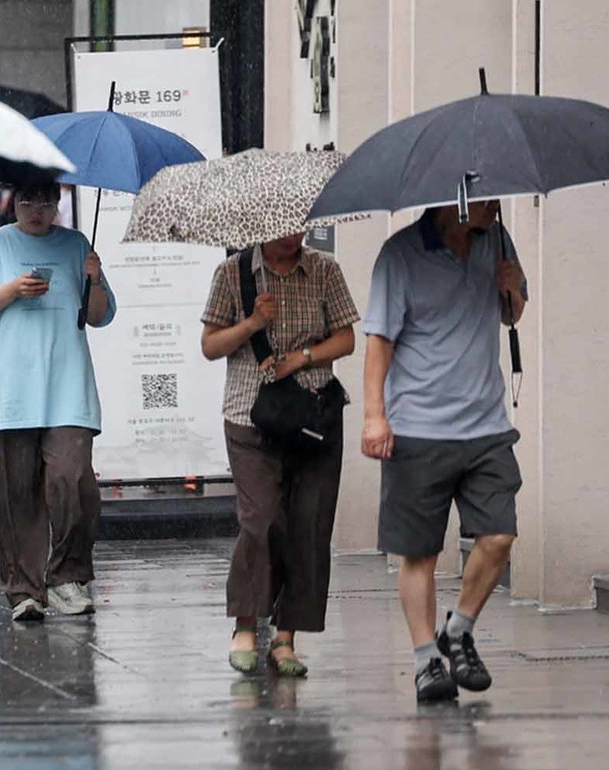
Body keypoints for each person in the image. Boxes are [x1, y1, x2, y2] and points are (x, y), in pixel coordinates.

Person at [363, 201, 527, 704]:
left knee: (498, 536)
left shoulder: (497, 241)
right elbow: (379, 342)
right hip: (418, 428)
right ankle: (425, 661)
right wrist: (375, 415)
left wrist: (513, 288)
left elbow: (512, 312)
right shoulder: (400, 256)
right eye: (488, 196)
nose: (497, 206)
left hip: (486, 425)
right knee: (420, 553)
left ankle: (458, 631)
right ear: (454, 195)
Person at [200, 233, 359, 677]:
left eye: (300, 226)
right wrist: (251, 324)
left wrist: (303, 358)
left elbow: (346, 339)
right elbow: (210, 346)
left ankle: (286, 635)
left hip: (313, 416)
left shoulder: (325, 269)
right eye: (284, 228)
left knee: (309, 525)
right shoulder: (231, 274)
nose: (294, 236)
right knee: (262, 520)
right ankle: (246, 624)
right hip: (251, 416)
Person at [0, 181, 116, 623]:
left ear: (58, 203)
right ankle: (24, 590)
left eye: (46, 201)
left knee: (74, 482)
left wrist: (94, 278)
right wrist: (11, 291)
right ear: (14, 204)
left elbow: (100, 314)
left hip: (68, 389)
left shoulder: (75, 244)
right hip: (11, 392)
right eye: (28, 201)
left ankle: (68, 578)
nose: (37, 210)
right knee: (16, 495)